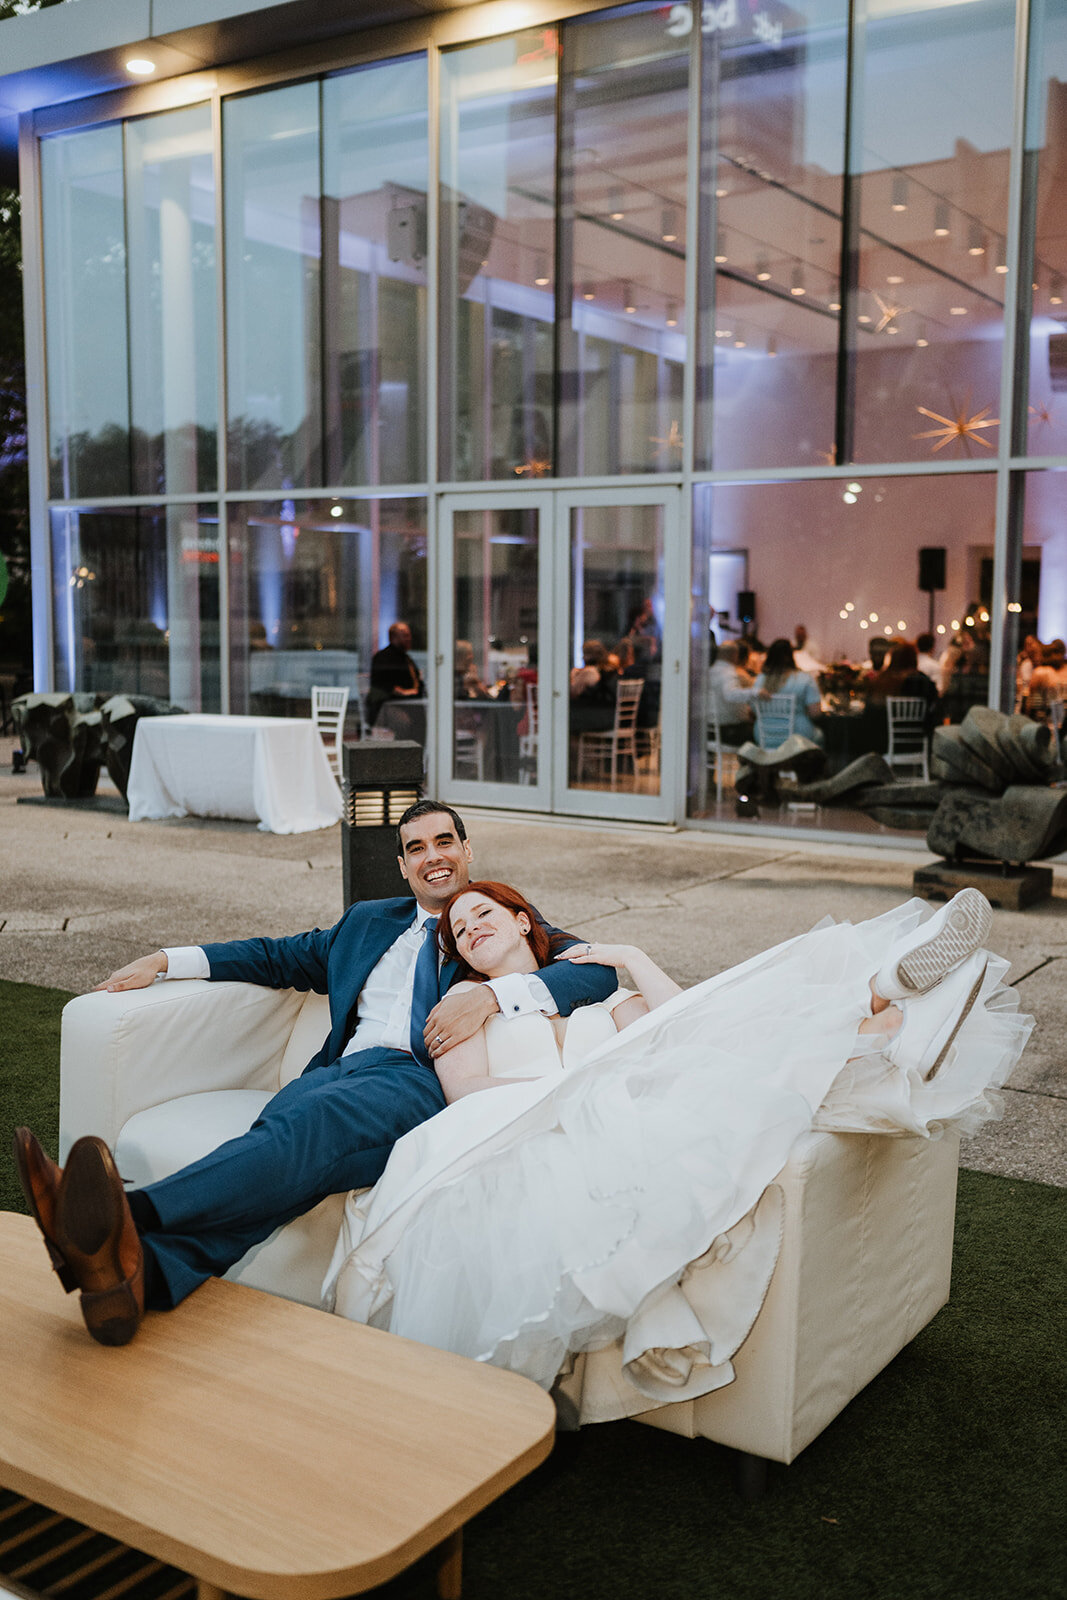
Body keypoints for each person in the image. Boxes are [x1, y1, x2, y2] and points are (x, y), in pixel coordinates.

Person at [324, 882, 1029, 1411]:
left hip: (644, 1092)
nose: (471, 926)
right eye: (457, 929)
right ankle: (879, 1026)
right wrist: (573, 1085)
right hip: (546, 1119)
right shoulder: (461, 1010)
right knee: (737, 1080)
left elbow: (687, 1019)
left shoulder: (594, 992)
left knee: (727, 1032)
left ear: (521, 921)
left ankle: (875, 1008)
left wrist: (632, 955)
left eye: (484, 912)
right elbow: (465, 1092)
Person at [13, 802, 616, 1348]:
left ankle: (117, 1213)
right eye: (417, 848)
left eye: (444, 842)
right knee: (283, 1146)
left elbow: (596, 972)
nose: (433, 857)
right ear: (402, 865)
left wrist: (494, 996)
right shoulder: (367, 922)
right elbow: (275, 956)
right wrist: (168, 961)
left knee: (309, 1128)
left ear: (467, 850)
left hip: (417, 1079)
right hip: (339, 1070)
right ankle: (135, 1278)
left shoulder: (493, 918)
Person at [754, 637, 824, 743]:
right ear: (791, 655)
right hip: (797, 737)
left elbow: (753, 709)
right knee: (820, 735)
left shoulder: (759, 679)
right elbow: (815, 713)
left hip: (763, 734)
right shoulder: (805, 678)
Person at [365, 621, 425, 728]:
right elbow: (383, 685)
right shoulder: (383, 658)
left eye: (409, 635)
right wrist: (405, 692)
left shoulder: (405, 658)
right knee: (407, 722)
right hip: (385, 706)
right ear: (394, 637)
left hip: (408, 704)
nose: (409, 639)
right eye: (405, 636)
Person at [708, 640, 758, 744]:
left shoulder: (710, 671)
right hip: (729, 731)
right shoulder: (728, 672)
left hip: (710, 729)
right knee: (759, 731)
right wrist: (755, 692)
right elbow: (731, 694)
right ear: (735, 655)